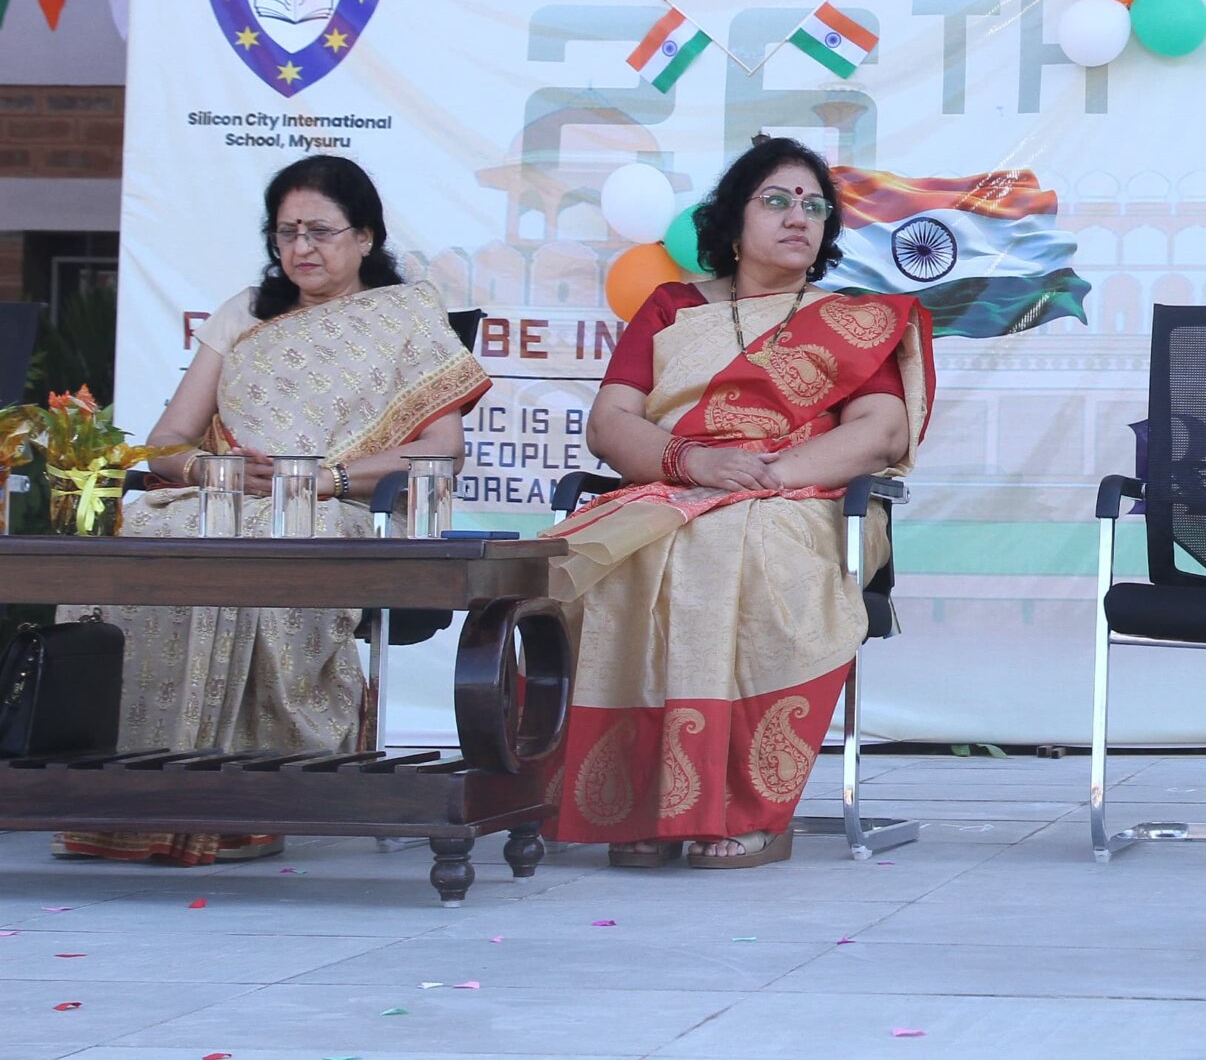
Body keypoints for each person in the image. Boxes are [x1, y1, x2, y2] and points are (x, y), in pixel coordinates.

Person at [56, 155, 488, 866]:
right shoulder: (246, 312)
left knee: (273, 533)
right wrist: (207, 468)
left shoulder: (408, 317)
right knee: (141, 529)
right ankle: (117, 794)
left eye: (321, 230)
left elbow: (442, 451)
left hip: (334, 508)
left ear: (365, 237)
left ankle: (248, 800)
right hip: (224, 498)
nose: (301, 247)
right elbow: (165, 444)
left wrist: (326, 478)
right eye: (286, 232)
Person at [550, 137, 932, 869]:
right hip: (674, 484)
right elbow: (610, 423)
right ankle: (640, 804)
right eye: (777, 201)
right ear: (732, 221)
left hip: (803, 496)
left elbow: (881, 432)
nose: (799, 217)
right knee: (626, 550)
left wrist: (761, 475)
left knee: (738, 535)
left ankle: (749, 809)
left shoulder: (852, 320)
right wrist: (694, 463)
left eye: (814, 207)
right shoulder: (671, 308)